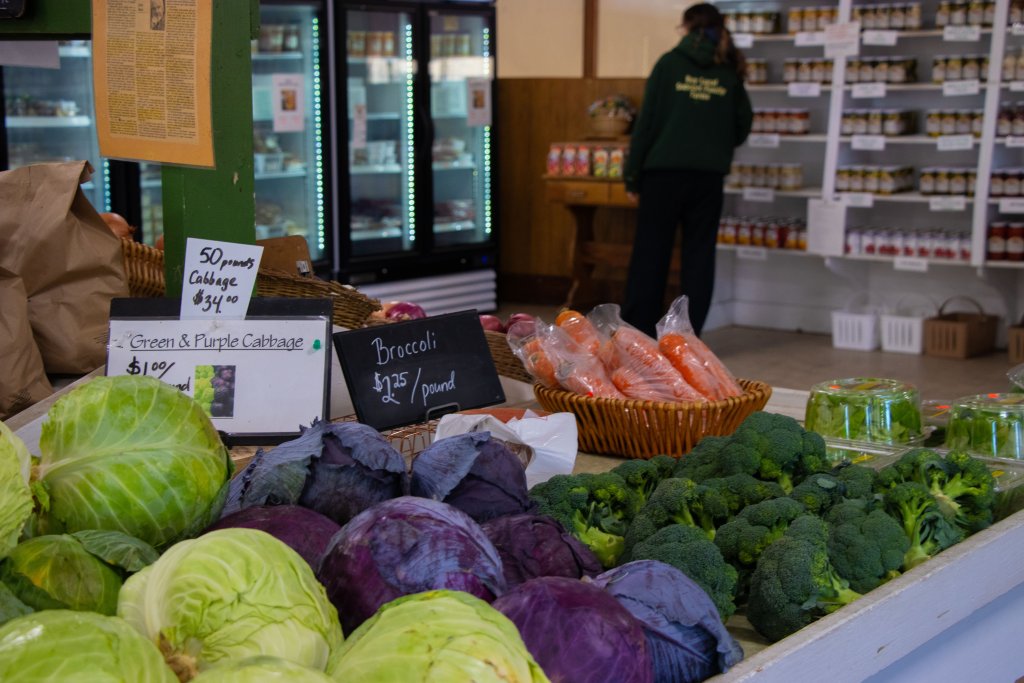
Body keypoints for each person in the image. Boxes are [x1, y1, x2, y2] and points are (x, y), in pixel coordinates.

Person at [622, 3, 752, 338]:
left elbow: (647, 124)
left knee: (651, 254)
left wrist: (632, 174)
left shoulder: (669, 64)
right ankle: (688, 338)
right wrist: (716, 146)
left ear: (686, 28)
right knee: (699, 257)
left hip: (662, 174)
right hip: (708, 177)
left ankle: (639, 335)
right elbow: (742, 124)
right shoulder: (728, 69)